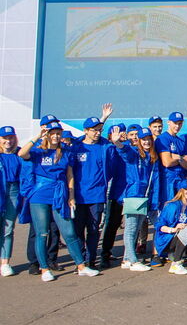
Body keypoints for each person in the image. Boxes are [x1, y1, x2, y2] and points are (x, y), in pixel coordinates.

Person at [18, 122, 100, 281]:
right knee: (42, 232)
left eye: (58, 133)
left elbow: (70, 175)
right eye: (52, 133)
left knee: (69, 231)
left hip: (59, 194)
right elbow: (22, 153)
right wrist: (38, 136)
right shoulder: (37, 151)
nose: (55, 136)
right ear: (46, 134)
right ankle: (44, 269)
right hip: (40, 195)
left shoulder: (65, 152)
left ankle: (81, 266)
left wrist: (71, 196)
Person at [111, 126, 161, 271]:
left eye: (148, 139)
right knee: (131, 229)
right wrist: (117, 142)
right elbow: (124, 151)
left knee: (136, 228)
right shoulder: (134, 153)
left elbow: (154, 180)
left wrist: (153, 200)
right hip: (134, 195)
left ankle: (127, 259)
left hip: (145, 196)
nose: (146, 142)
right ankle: (133, 261)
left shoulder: (153, 157)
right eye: (143, 139)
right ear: (138, 140)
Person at [69, 116, 112, 269]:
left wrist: (104, 119)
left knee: (93, 230)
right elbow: (69, 172)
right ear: (85, 131)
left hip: (97, 195)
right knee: (78, 230)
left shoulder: (104, 145)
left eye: (100, 130)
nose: (97, 133)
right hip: (79, 196)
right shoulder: (76, 147)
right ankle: (80, 261)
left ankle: (90, 261)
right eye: (94, 130)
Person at [1, 126, 23, 276]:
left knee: (8, 229)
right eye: (5, 138)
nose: (8, 141)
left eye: (10, 137)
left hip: (14, 191)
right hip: (0, 190)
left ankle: (5, 263)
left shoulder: (19, 153)